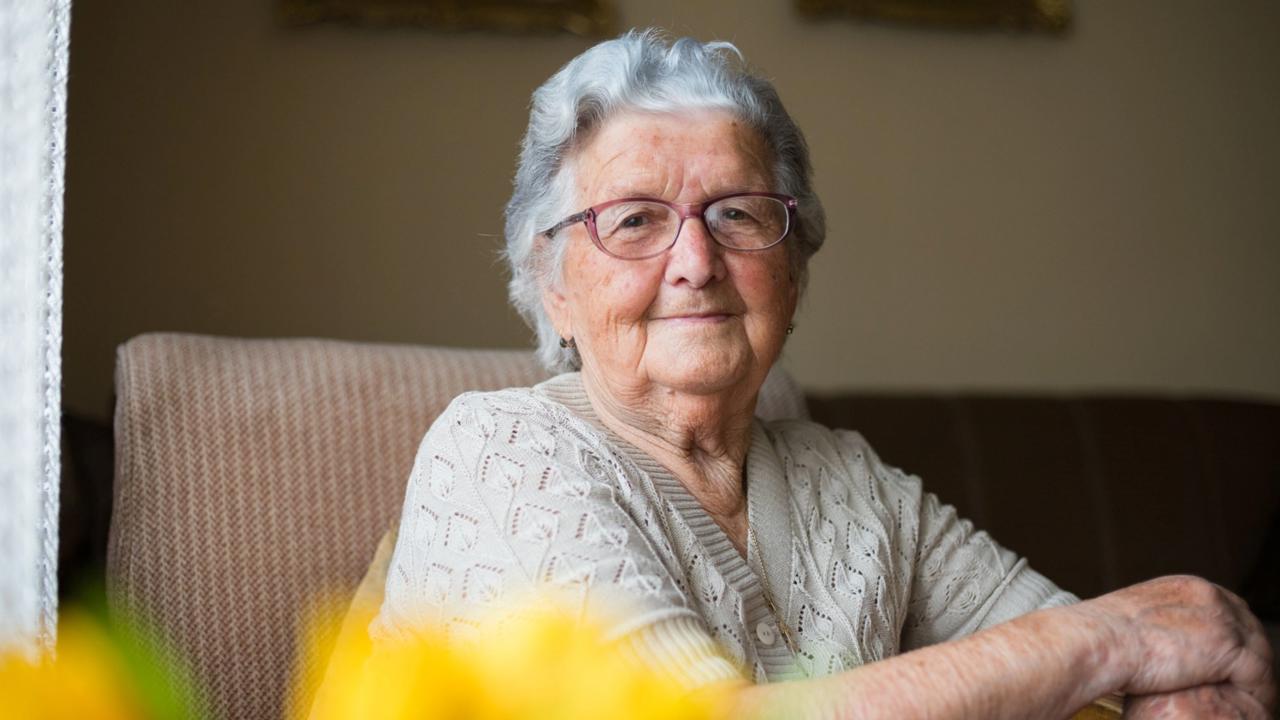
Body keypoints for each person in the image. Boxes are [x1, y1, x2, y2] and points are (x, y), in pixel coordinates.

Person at [373, 30, 1274, 718]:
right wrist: (1104, 638)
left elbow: (1121, 670)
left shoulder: (848, 478)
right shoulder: (498, 455)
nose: (696, 261)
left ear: (794, 271)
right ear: (554, 286)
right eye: (637, 220)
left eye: (737, 213)